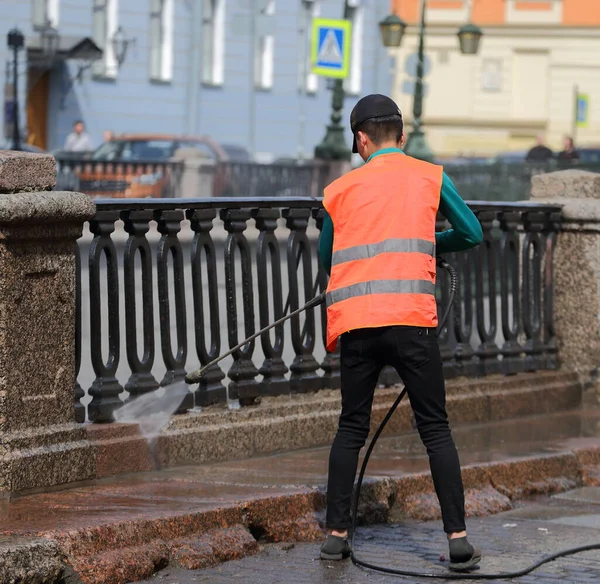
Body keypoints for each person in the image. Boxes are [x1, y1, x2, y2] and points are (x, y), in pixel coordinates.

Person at [317, 94, 483, 572]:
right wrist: (429, 242)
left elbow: (331, 255)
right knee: (435, 428)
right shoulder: (430, 177)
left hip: (359, 324)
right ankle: (457, 540)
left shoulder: (339, 190)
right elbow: (470, 232)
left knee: (351, 427)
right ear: (403, 137)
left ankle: (335, 537)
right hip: (412, 320)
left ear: (361, 139)